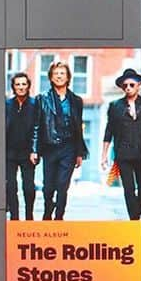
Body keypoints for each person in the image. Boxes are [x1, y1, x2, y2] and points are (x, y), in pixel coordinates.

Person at [32, 59, 87, 221]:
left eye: (62, 73)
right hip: (49, 147)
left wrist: (79, 153)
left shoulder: (76, 101)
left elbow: (78, 129)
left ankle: (59, 217)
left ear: (68, 77)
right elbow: (36, 126)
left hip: (69, 147)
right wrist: (34, 149)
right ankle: (48, 211)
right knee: (48, 187)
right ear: (50, 77)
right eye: (56, 74)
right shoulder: (42, 99)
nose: (59, 76)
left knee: (63, 185)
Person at [102, 68, 141, 219]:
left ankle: (138, 210)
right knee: (128, 188)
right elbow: (109, 131)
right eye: (125, 85)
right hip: (123, 152)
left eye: (131, 85)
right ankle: (134, 218)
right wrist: (104, 155)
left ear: (138, 84)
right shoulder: (115, 106)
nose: (128, 88)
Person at [5, 72, 38, 219]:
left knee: (29, 188)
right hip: (9, 153)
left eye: (24, 84)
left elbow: (38, 128)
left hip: (28, 153)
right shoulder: (7, 105)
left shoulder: (34, 104)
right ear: (13, 87)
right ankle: (14, 217)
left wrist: (35, 150)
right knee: (11, 187)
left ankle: (29, 216)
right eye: (18, 84)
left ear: (28, 86)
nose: (21, 87)